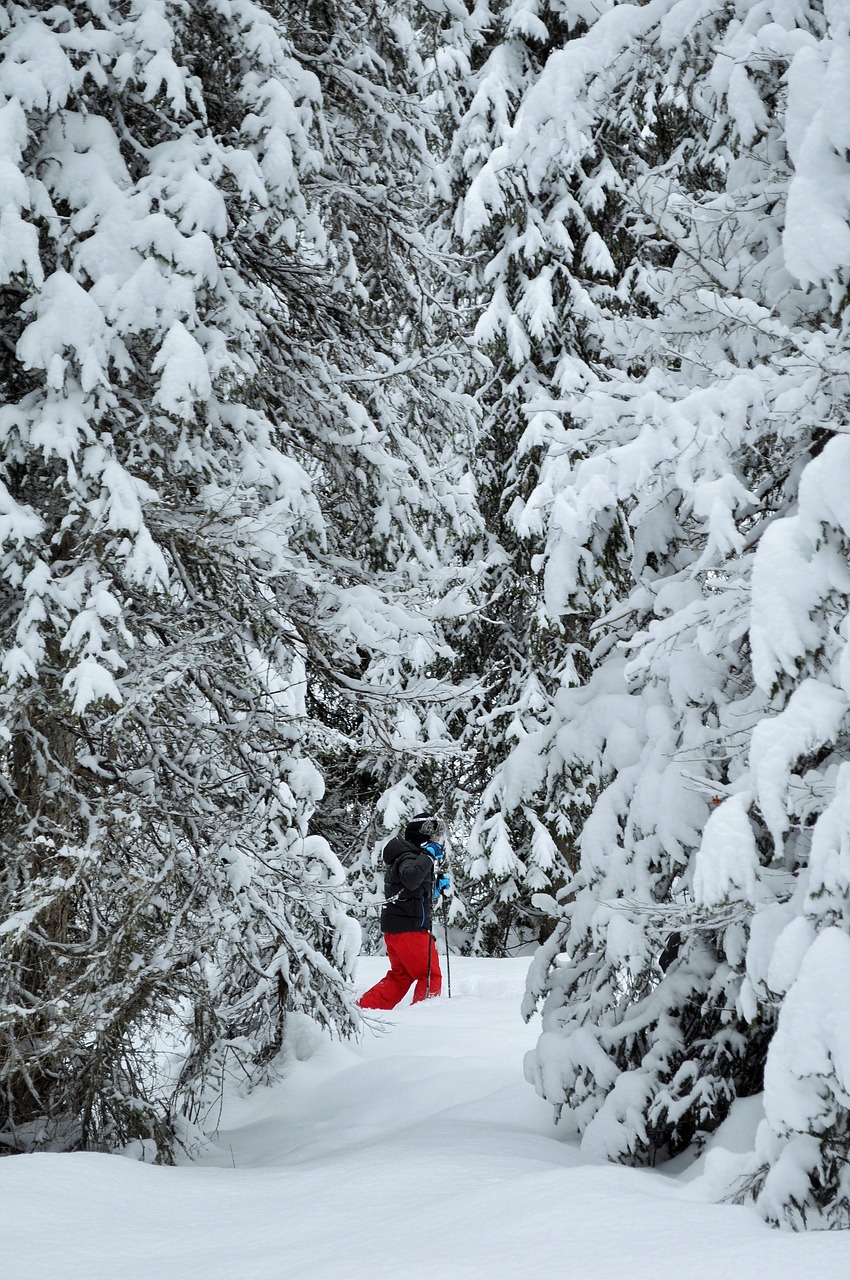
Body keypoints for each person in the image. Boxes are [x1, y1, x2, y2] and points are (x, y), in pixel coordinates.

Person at [358, 812, 450, 1009]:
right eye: (434, 835)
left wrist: (434, 888)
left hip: (399, 929)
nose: (437, 840)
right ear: (422, 834)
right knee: (429, 974)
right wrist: (428, 855)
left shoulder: (406, 856)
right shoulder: (408, 856)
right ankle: (425, 1016)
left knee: (402, 976)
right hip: (410, 930)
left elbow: (413, 893)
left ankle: (364, 1008)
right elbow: (411, 878)